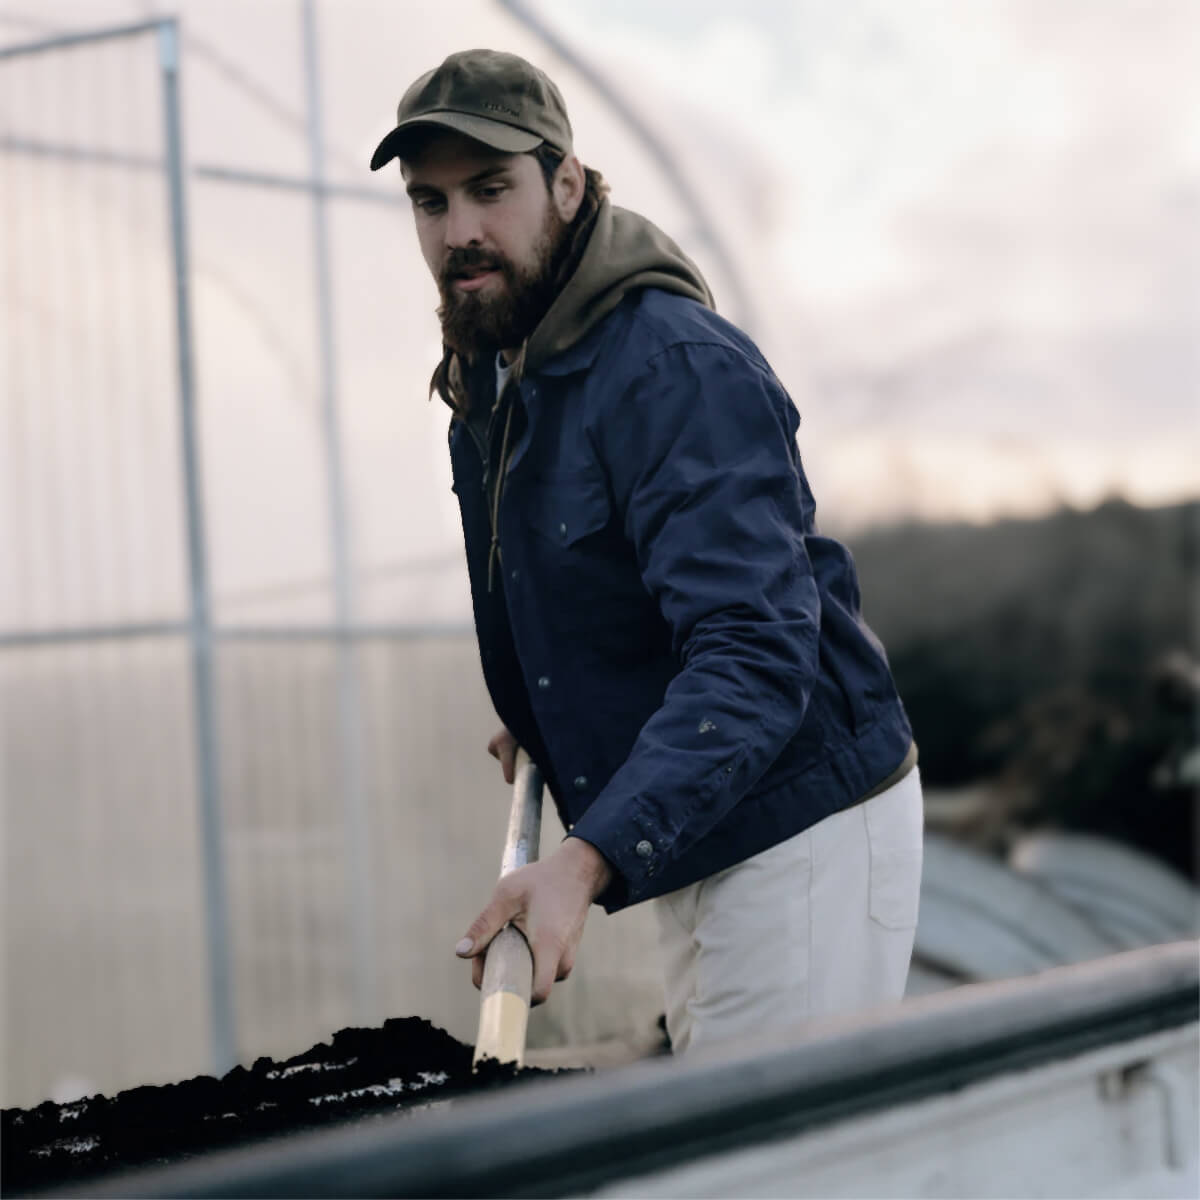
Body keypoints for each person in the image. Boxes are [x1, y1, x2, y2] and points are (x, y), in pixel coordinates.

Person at [370, 48, 923, 1054]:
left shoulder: (671, 370)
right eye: (430, 202)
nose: (461, 232)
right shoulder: (501, 362)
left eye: (491, 190)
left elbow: (753, 652)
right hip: (713, 816)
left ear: (567, 183)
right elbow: (606, 578)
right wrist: (562, 704)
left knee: (767, 1162)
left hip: (800, 831)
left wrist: (578, 866)